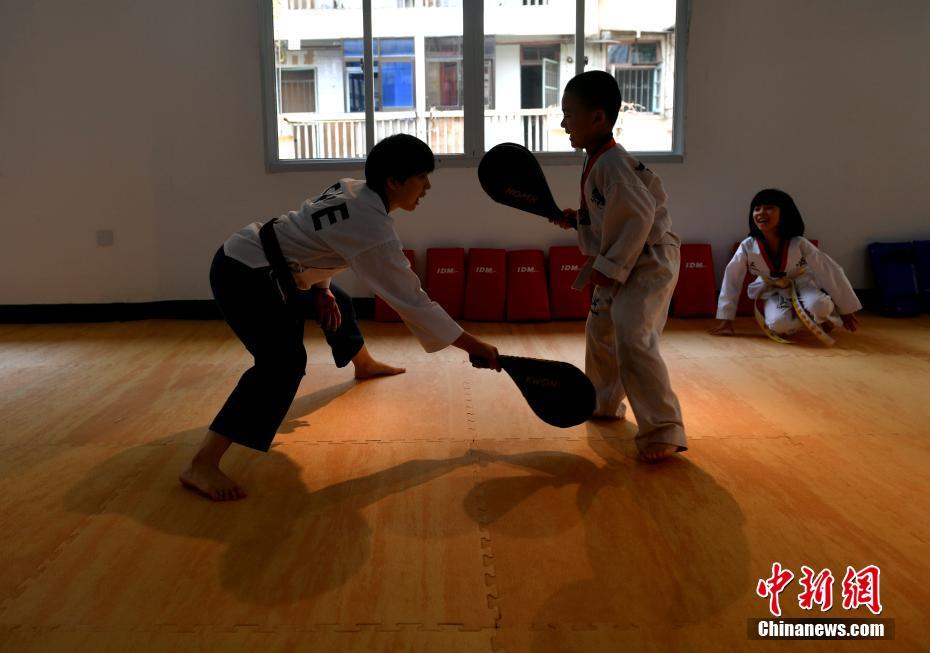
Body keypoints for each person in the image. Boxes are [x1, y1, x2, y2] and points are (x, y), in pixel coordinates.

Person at [181, 134, 501, 500]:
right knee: (281, 364)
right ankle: (202, 463)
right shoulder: (373, 226)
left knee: (339, 301)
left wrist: (322, 288)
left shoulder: (354, 190)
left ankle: (362, 363)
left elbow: (317, 240)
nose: (427, 187)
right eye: (422, 178)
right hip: (247, 274)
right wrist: (472, 343)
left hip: (260, 257)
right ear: (393, 182)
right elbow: (413, 300)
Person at [552, 70, 687, 462]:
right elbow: (608, 215)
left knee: (632, 337)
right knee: (601, 331)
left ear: (598, 118)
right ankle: (602, 401)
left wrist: (608, 269)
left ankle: (664, 426)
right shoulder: (599, 161)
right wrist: (578, 219)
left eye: (569, 114)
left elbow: (637, 218)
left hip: (648, 262)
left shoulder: (612, 163)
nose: (564, 124)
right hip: (625, 259)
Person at [709, 189, 861, 342]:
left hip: (803, 284)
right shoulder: (748, 246)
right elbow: (732, 280)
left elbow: (829, 271)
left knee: (819, 305)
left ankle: (825, 316)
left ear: (785, 212)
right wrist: (726, 319)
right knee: (778, 325)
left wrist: (845, 308)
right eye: (757, 208)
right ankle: (806, 318)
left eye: (769, 207)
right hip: (774, 289)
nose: (761, 212)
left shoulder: (799, 243)